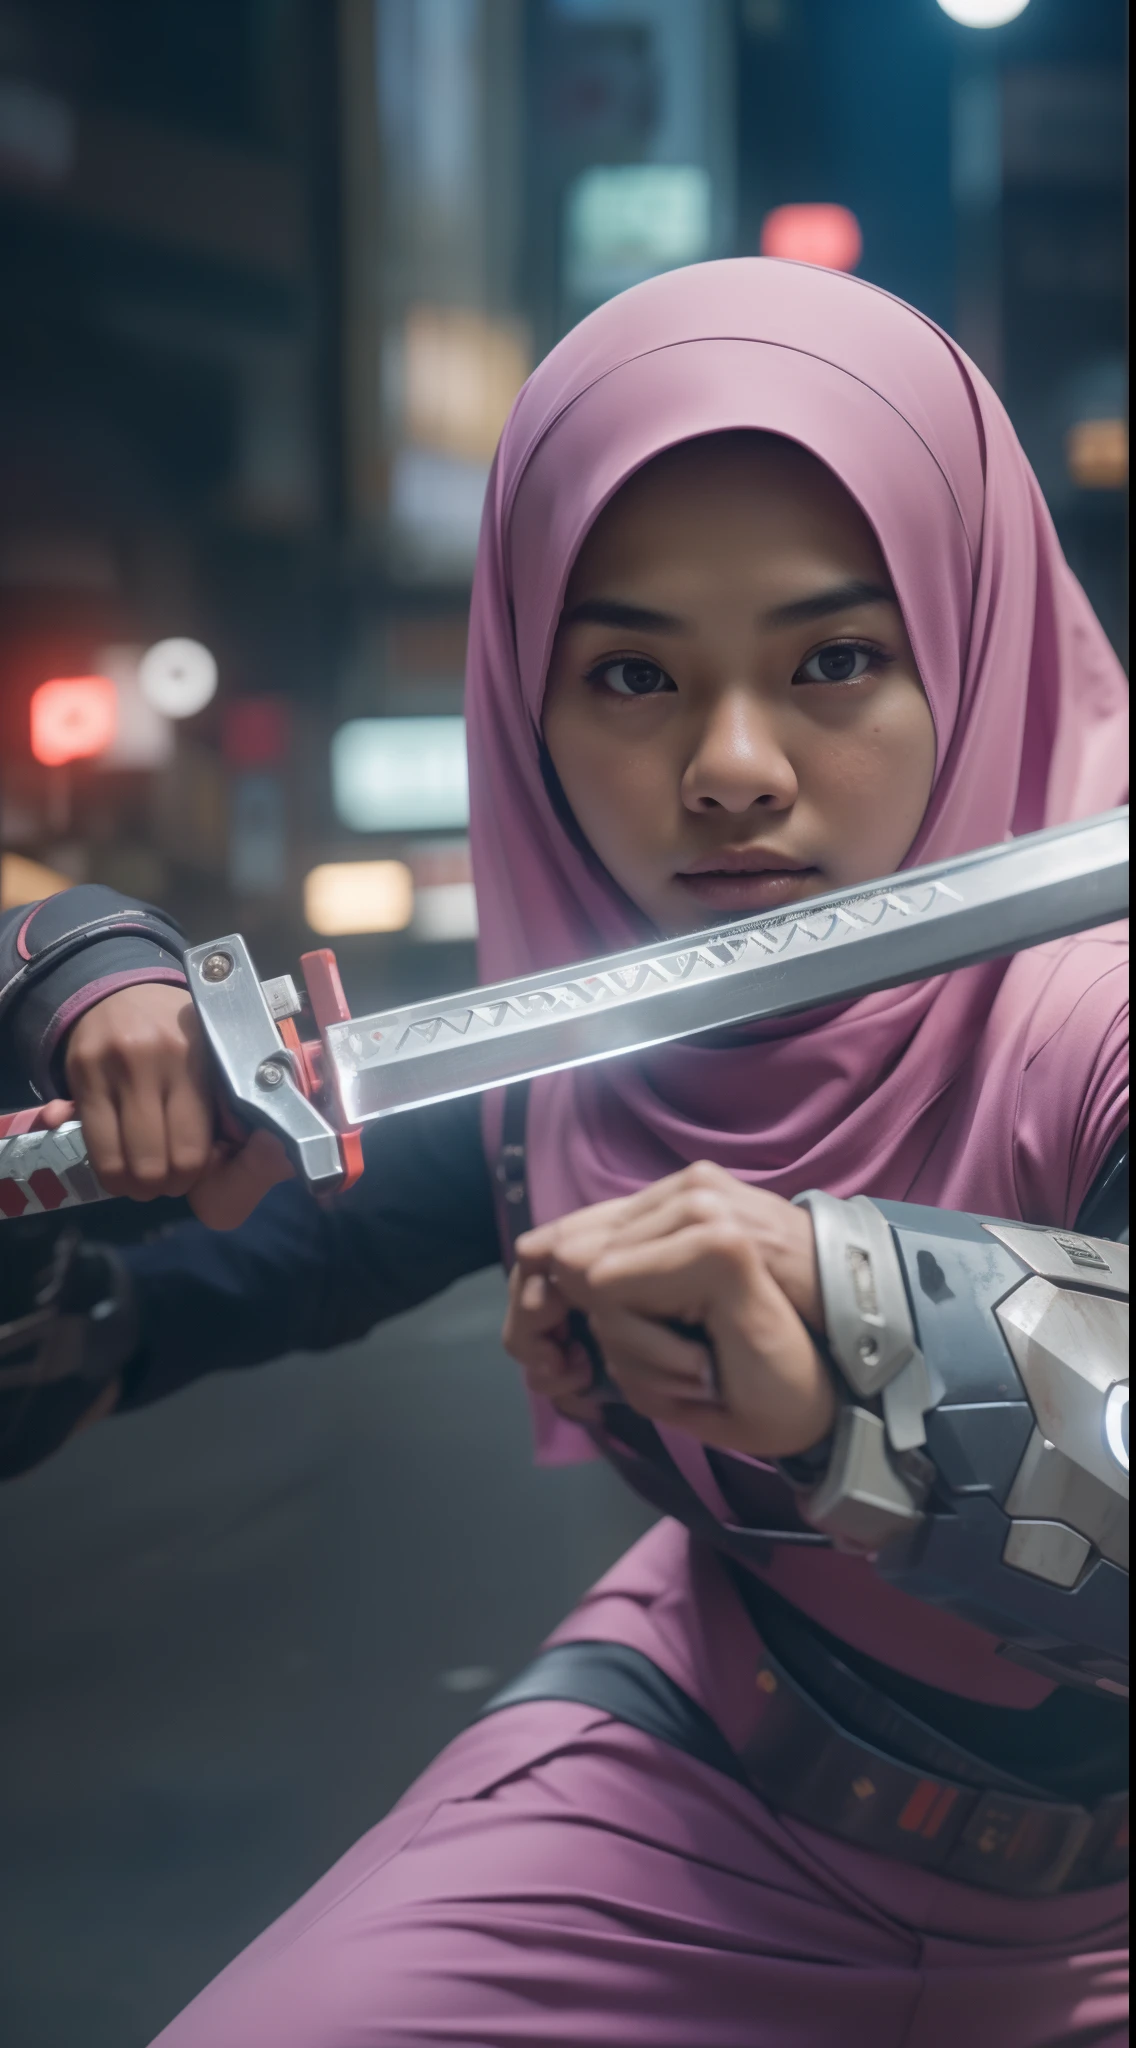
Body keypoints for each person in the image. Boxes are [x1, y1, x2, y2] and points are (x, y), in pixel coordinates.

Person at [0, 259, 1128, 2046]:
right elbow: (97, 1342)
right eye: (630, 676)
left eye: (836, 658)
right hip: (714, 1807)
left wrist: (853, 1341)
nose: (732, 766)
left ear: (971, 637)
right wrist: (56, 1002)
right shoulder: (568, 1084)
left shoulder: (1102, 1019)